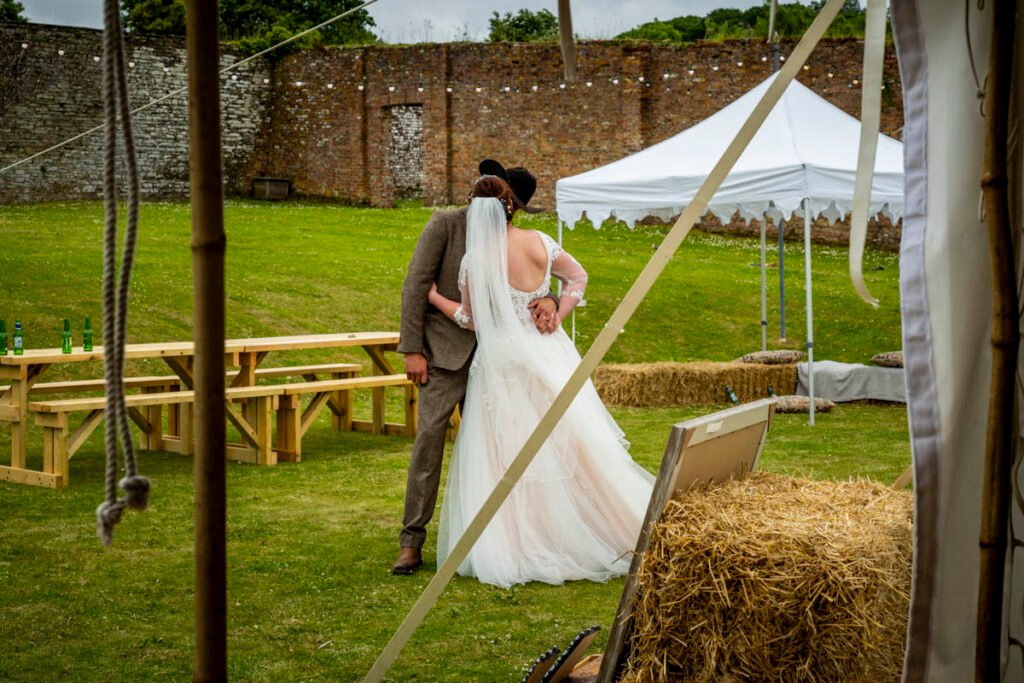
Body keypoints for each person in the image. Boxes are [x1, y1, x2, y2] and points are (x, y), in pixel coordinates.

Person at [427, 174, 655, 588]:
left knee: (509, 452)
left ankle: (525, 539)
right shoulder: (539, 241)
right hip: (549, 353)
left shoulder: (474, 260)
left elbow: (472, 319)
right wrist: (556, 310)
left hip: (502, 365)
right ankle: (594, 527)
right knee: (568, 443)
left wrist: (435, 298)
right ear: (512, 206)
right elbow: (579, 278)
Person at [393, 160, 558, 575]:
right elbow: (416, 284)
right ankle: (411, 541)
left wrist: (552, 299)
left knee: (500, 449)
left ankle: (502, 538)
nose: (511, 210)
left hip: (500, 362)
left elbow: (531, 280)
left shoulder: (514, 236)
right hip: (446, 357)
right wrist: (412, 349)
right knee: (429, 444)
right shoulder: (445, 225)